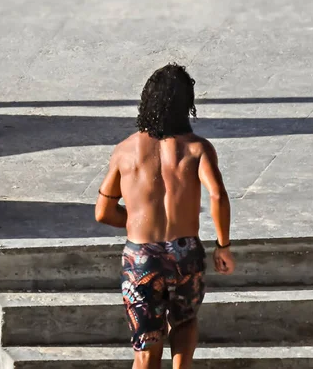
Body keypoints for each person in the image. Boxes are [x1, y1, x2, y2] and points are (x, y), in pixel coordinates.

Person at [95, 63, 235, 369]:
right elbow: (217, 195)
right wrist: (223, 245)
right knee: (184, 322)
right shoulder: (198, 149)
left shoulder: (124, 151)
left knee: (147, 351)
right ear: (188, 105)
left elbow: (103, 211)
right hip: (186, 253)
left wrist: (133, 222)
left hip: (141, 258)